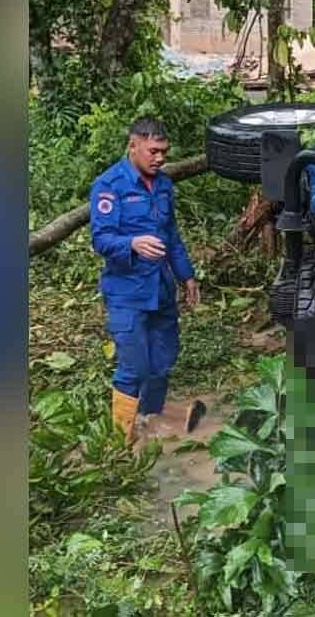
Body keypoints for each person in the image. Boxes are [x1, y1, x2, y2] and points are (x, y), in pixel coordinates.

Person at [89, 117, 200, 440]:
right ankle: (119, 441)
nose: (160, 158)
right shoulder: (109, 186)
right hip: (127, 292)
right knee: (134, 366)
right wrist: (132, 244)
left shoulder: (164, 185)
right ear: (133, 145)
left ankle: (150, 421)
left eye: (164, 152)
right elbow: (101, 239)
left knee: (162, 361)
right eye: (153, 151)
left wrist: (187, 276)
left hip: (161, 289)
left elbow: (172, 236)